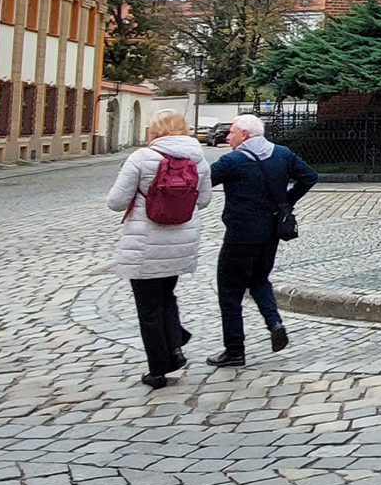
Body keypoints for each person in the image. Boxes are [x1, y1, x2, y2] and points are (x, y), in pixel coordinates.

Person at [106, 110, 212, 389]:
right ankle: (175, 349)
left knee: (149, 308)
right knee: (167, 296)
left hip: (144, 243)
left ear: (155, 130)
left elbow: (116, 202)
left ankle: (157, 370)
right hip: (182, 241)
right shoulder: (198, 158)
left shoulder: (141, 158)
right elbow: (204, 201)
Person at [207, 113, 319, 367]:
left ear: (245, 135)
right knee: (259, 280)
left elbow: (202, 182)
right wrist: (285, 202)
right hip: (271, 233)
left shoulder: (232, 161)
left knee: (230, 291)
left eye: (232, 132)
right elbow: (309, 177)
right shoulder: (282, 154)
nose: (227, 136)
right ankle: (274, 322)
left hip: (240, 236)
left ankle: (234, 350)